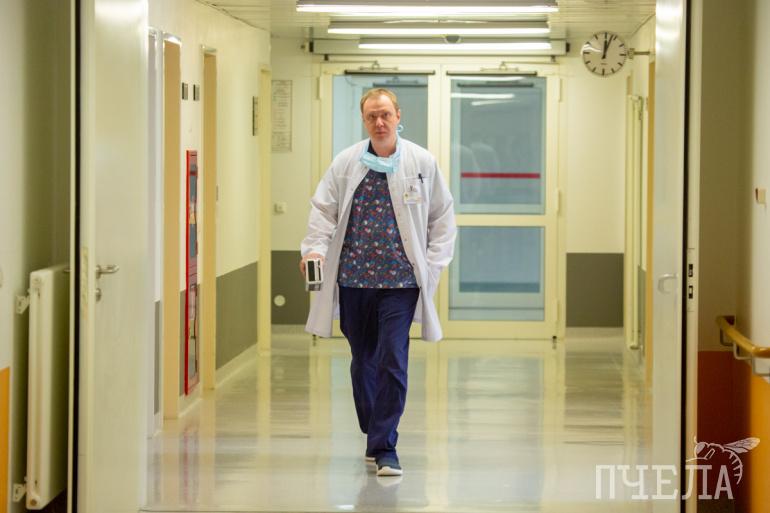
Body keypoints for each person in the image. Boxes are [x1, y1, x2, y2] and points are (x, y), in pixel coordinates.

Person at [300, 88, 456, 477]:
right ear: (364, 120)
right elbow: (323, 210)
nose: (379, 122)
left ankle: (385, 446)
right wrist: (314, 250)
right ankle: (374, 430)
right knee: (363, 361)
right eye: (372, 116)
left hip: (401, 282)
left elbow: (442, 217)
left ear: (398, 116)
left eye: (385, 114)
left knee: (393, 359)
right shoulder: (346, 162)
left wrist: (432, 267)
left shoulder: (421, 161)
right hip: (354, 280)